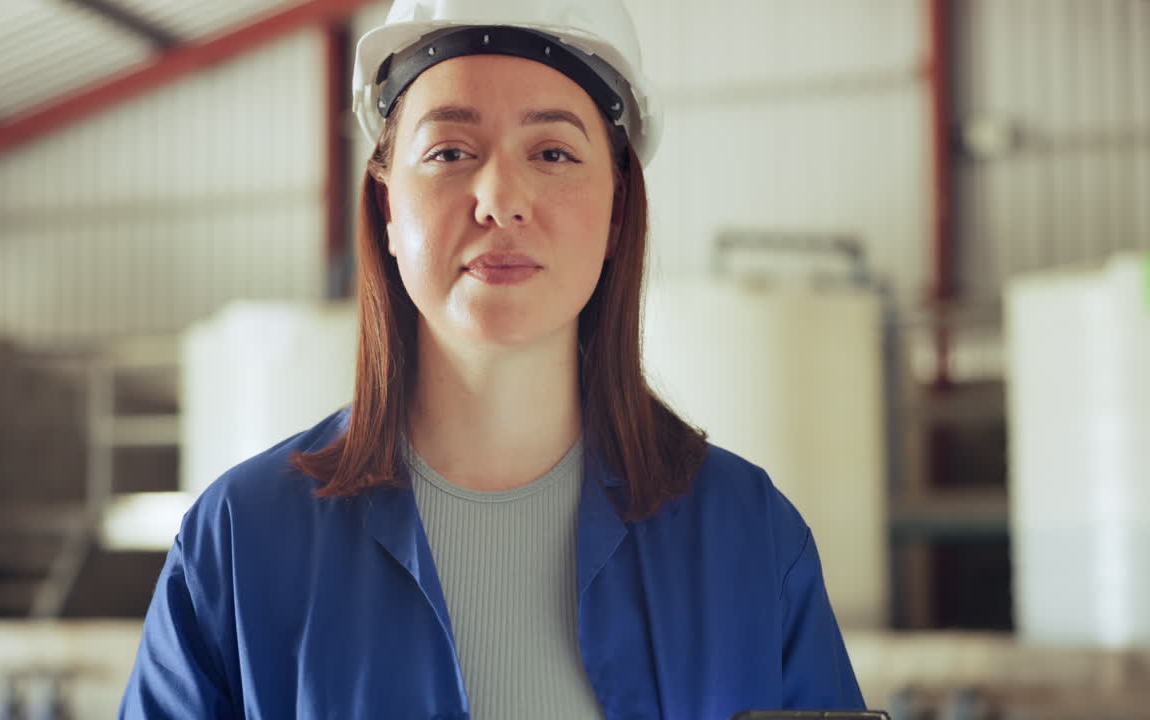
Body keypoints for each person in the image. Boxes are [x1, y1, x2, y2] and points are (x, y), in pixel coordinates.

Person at [118, 0, 866, 717]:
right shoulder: (243, 544)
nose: (501, 199)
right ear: (386, 207)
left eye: (552, 152)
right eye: (449, 151)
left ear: (617, 210)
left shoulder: (748, 540)